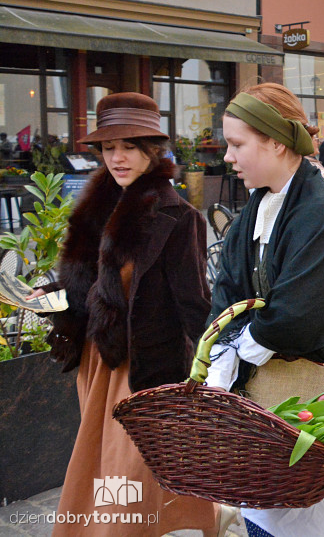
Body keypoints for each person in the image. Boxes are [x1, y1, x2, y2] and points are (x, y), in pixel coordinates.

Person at [41, 93, 219, 537]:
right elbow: (87, 287)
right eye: (108, 147)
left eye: (129, 146)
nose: (117, 157)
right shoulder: (96, 210)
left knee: (130, 478)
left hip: (145, 371)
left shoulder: (176, 216)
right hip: (97, 363)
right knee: (104, 472)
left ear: (151, 150)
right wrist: (48, 297)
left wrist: (202, 382)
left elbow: (194, 305)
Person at [204, 83, 324, 536]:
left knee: (312, 517)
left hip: (322, 384)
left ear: (276, 141)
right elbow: (227, 291)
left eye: (238, 145)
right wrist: (222, 352)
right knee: (266, 511)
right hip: (268, 388)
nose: (229, 158)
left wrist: (237, 351)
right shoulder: (258, 207)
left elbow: (300, 313)